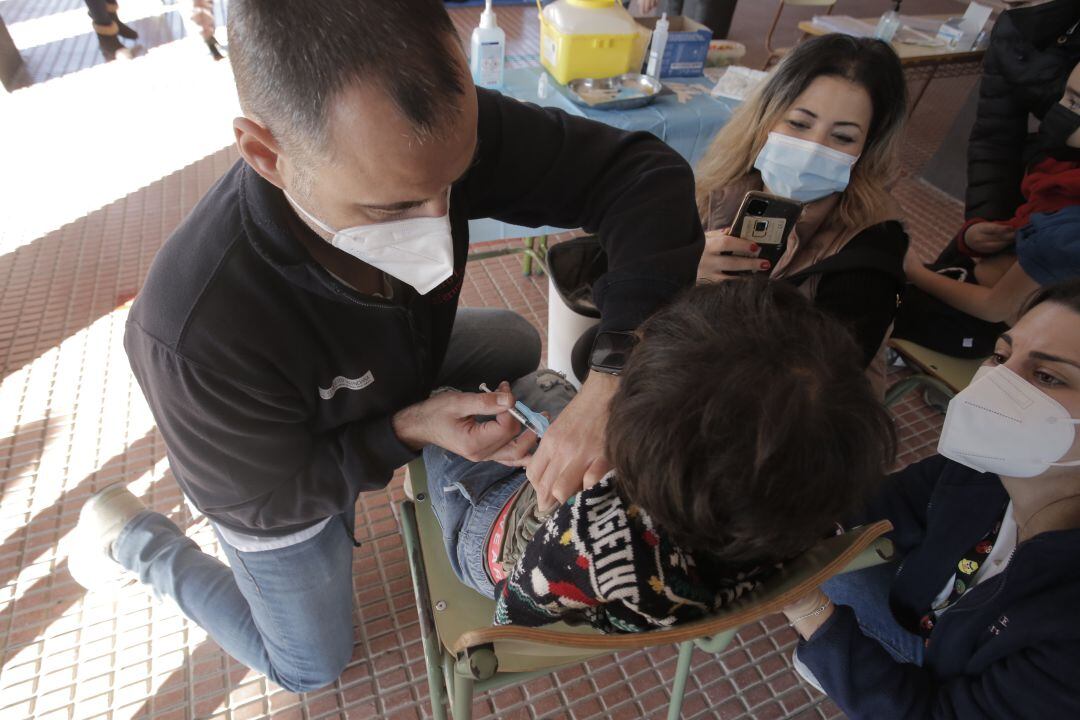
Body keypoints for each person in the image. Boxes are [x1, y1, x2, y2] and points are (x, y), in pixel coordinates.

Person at [67, 0, 703, 693]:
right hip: (269, 470)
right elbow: (274, 501)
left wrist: (614, 376)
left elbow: (645, 178)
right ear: (265, 153)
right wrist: (402, 431)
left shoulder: (424, 136)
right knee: (308, 666)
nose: (438, 224)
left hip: (382, 364)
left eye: (455, 183)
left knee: (512, 339)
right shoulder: (191, 334)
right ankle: (134, 540)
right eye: (392, 209)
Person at [428, 279, 896, 632]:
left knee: (438, 392)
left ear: (626, 437)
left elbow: (513, 608)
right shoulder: (805, 508)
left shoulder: (587, 537)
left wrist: (548, 501)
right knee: (535, 385)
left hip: (499, 533)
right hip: (635, 512)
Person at [781, 277, 1080, 719]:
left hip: (952, 689)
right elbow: (875, 506)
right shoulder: (983, 469)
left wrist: (806, 608)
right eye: (1000, 355)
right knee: (825, 564)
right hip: (933, 629)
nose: (995, 385)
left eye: (1047, 376)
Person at [693, 34, 909, 381]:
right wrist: (686, 268)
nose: (812, 148)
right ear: (766, 117)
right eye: (799, 123)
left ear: (867, 150)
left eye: (842, 137)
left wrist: (702, 295)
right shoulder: (720, 188)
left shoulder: (871, 250)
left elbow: (819, 382)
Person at [893, 60, 1080, 358]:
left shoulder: (1067, 229)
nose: (1060, 109)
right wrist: (980, 237)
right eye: (1065, 96)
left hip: (975, 327)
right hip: (968, 292)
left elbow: (996, 309)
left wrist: (914, 271)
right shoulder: (1062, 170)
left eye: (1075, 102)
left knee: (878, 300)